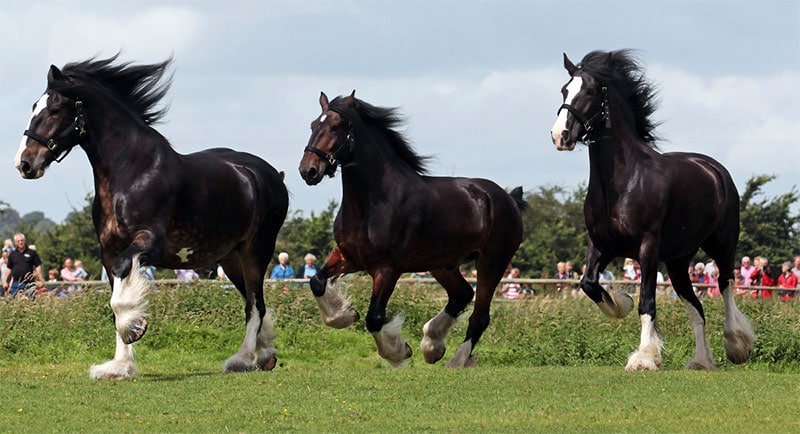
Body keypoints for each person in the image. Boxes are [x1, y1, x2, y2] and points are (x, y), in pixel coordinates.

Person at [3, 233, 44, 297]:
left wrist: (41, 280)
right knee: (14, 302)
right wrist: (5, 281)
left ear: (25, 241)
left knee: (30, 303)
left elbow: (38, 266)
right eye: (18, 241)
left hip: (29, 284)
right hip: (16, 283)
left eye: (22, 240)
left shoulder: (32, 253)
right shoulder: (12, 254)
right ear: (15, 243)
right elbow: (8, 268)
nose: (20, 242)